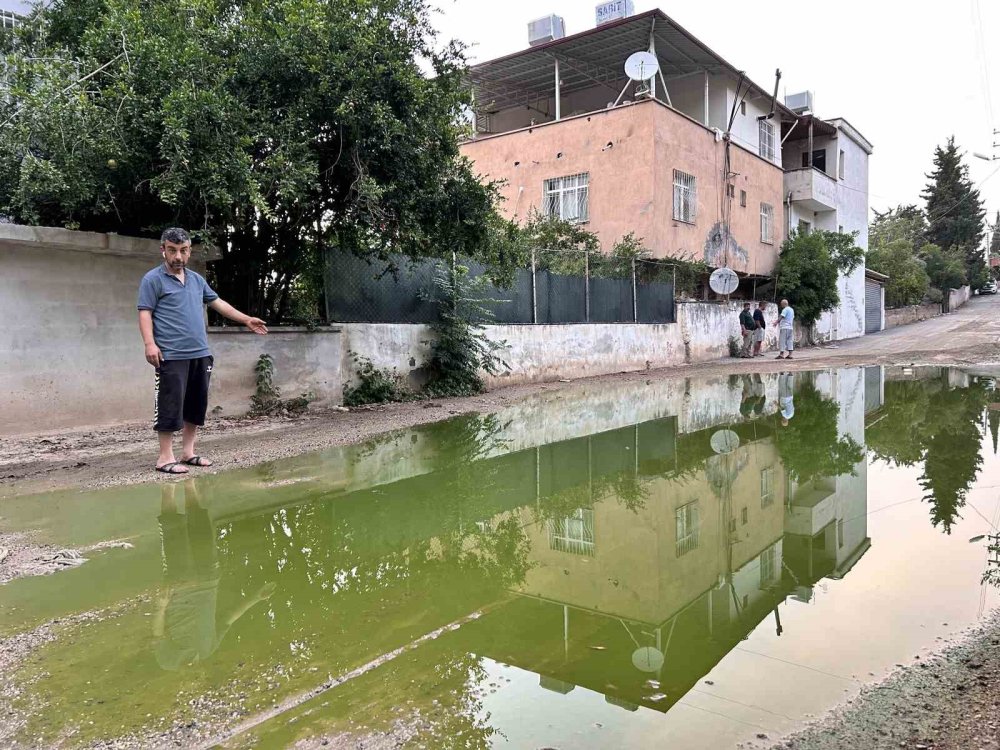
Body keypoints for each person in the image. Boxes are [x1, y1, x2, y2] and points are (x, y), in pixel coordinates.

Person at [138, 228, 268, 474]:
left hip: (199, 353)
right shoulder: (152, 279)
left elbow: (218, 303)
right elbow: (145, 312)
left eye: (183, 250)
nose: (178, 256)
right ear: (163, 250)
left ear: (189, 251)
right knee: (169, 404)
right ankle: (165, 457)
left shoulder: (197, 280)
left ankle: (188, 453)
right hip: (171, 355)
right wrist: (149, 344)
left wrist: (246, 319)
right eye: (173, 250)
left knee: (196, 404)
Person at [153, 479, 275, 670]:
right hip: (209, 577)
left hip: (180, 588)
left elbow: (158, 636)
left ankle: (168, 487)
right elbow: (228, 619)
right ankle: (189, 484)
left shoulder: (168, 663)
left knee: (172, 531)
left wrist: (160, 608)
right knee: (200, 526)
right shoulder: (208, 650)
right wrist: (256, 598)